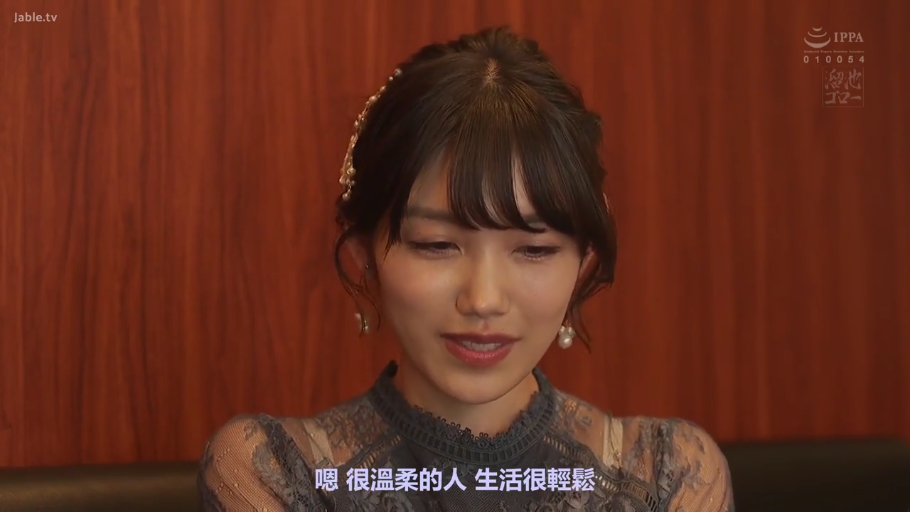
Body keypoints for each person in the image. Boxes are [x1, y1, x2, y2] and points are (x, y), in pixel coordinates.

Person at [198, 27, 734, 512]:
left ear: (582, 265)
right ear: (366, 257)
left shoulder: (668, 473)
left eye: (533, 250)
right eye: (437, 245)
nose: (483, 299)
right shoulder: (275, 472)